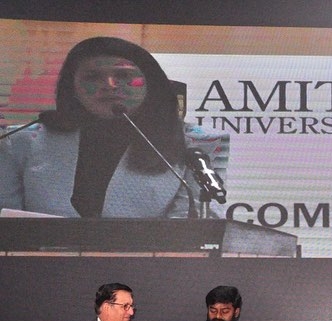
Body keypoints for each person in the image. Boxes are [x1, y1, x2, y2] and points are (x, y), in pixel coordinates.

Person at [0, 36, 222, 218]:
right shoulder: (19, 141)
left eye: (124, 75)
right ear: (72, 86)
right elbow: (8, 227)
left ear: (151, 83)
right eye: (93, 77)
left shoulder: (198, 143)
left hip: (146, 269)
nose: (109, 85)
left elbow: (189, 232)